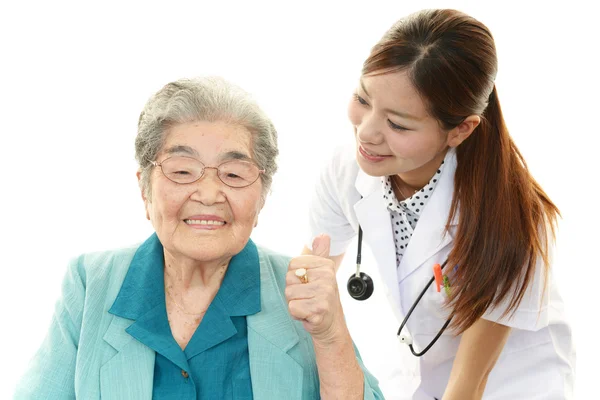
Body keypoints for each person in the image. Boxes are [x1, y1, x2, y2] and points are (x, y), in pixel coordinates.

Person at [14, 77, 383, 399]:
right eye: (182, 171)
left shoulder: (300, 290)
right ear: (145, 190)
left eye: (234, 174)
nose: (208, 194)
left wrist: (330, 335)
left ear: (263, 197)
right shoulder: (90, 281)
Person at [304, 9, 575, 400]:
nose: (366, 132)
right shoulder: (346, 170)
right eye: (362, 98)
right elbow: (312, 272)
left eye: (397, 124)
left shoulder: (512, 217)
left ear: (460, 129)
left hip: (513, 380)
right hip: (418, 365)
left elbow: (469, 386)